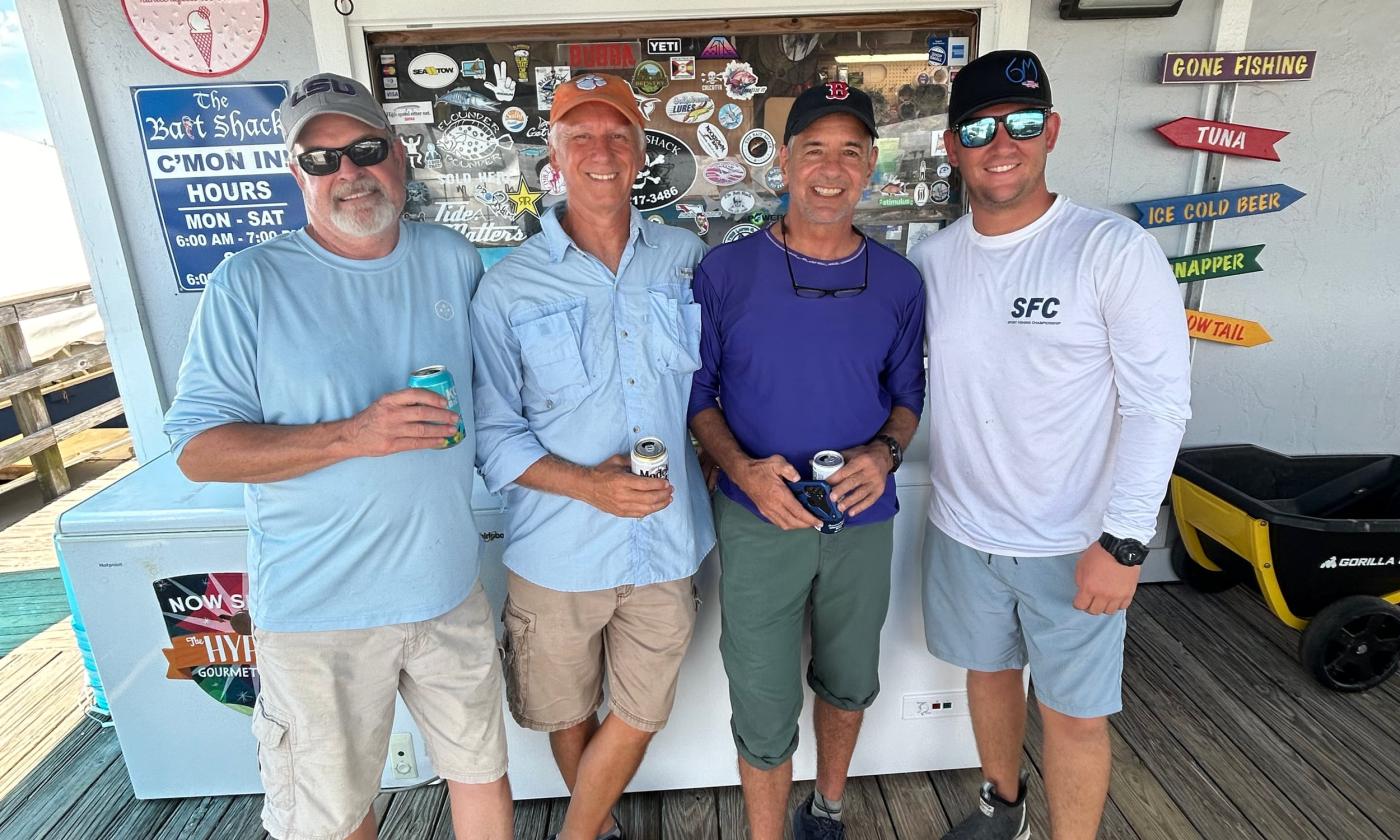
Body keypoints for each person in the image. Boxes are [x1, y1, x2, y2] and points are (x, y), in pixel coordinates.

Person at [163, 73, 512, 840]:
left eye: (363, 149)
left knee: (482, 775)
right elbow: (198, 451)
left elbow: (493, 400)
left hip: (448, 591)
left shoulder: (451, 256)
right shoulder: (249, 282)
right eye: (319, 160)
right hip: (321, 613)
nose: (347, 173)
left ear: (399, 156)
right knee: (334, 815)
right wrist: (352, 436)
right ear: (298, 176)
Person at [909, 50, 1192, 840]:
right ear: (953, 145)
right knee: (990, 676)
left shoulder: (1111, 249)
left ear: (1052, 131)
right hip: (964, 530)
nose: (1004, 142)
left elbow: (1160, 404)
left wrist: (1127, 539)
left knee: (1073, 715)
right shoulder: (932, 262)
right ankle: (1004, 805)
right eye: (981, 126)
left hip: (1078, 542)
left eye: (1024, 123)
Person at [470, 73, 714, 840]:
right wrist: (587, 485)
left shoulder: (686, 256)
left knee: (642, 711)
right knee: (566, 711)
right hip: (557, 551)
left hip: (665, 543)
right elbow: (491, 431)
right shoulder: (506, 287)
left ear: (641, 150)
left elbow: (716, 384)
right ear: (555, 153)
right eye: (581, 136)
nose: (600, 152)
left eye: (617, 135)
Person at [688, 82, 926, 840]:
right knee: (761, 694)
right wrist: (739, 467)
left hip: (861, 514)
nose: (830, 169)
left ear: (872, 166)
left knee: (850, 679)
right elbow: (697, 395)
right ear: (783, 162)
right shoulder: (724, 271)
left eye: (849, 151)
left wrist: (886, 455)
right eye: (813, 150)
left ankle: (826, 809)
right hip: (760, 513)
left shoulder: (899, 280)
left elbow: (908, 395)